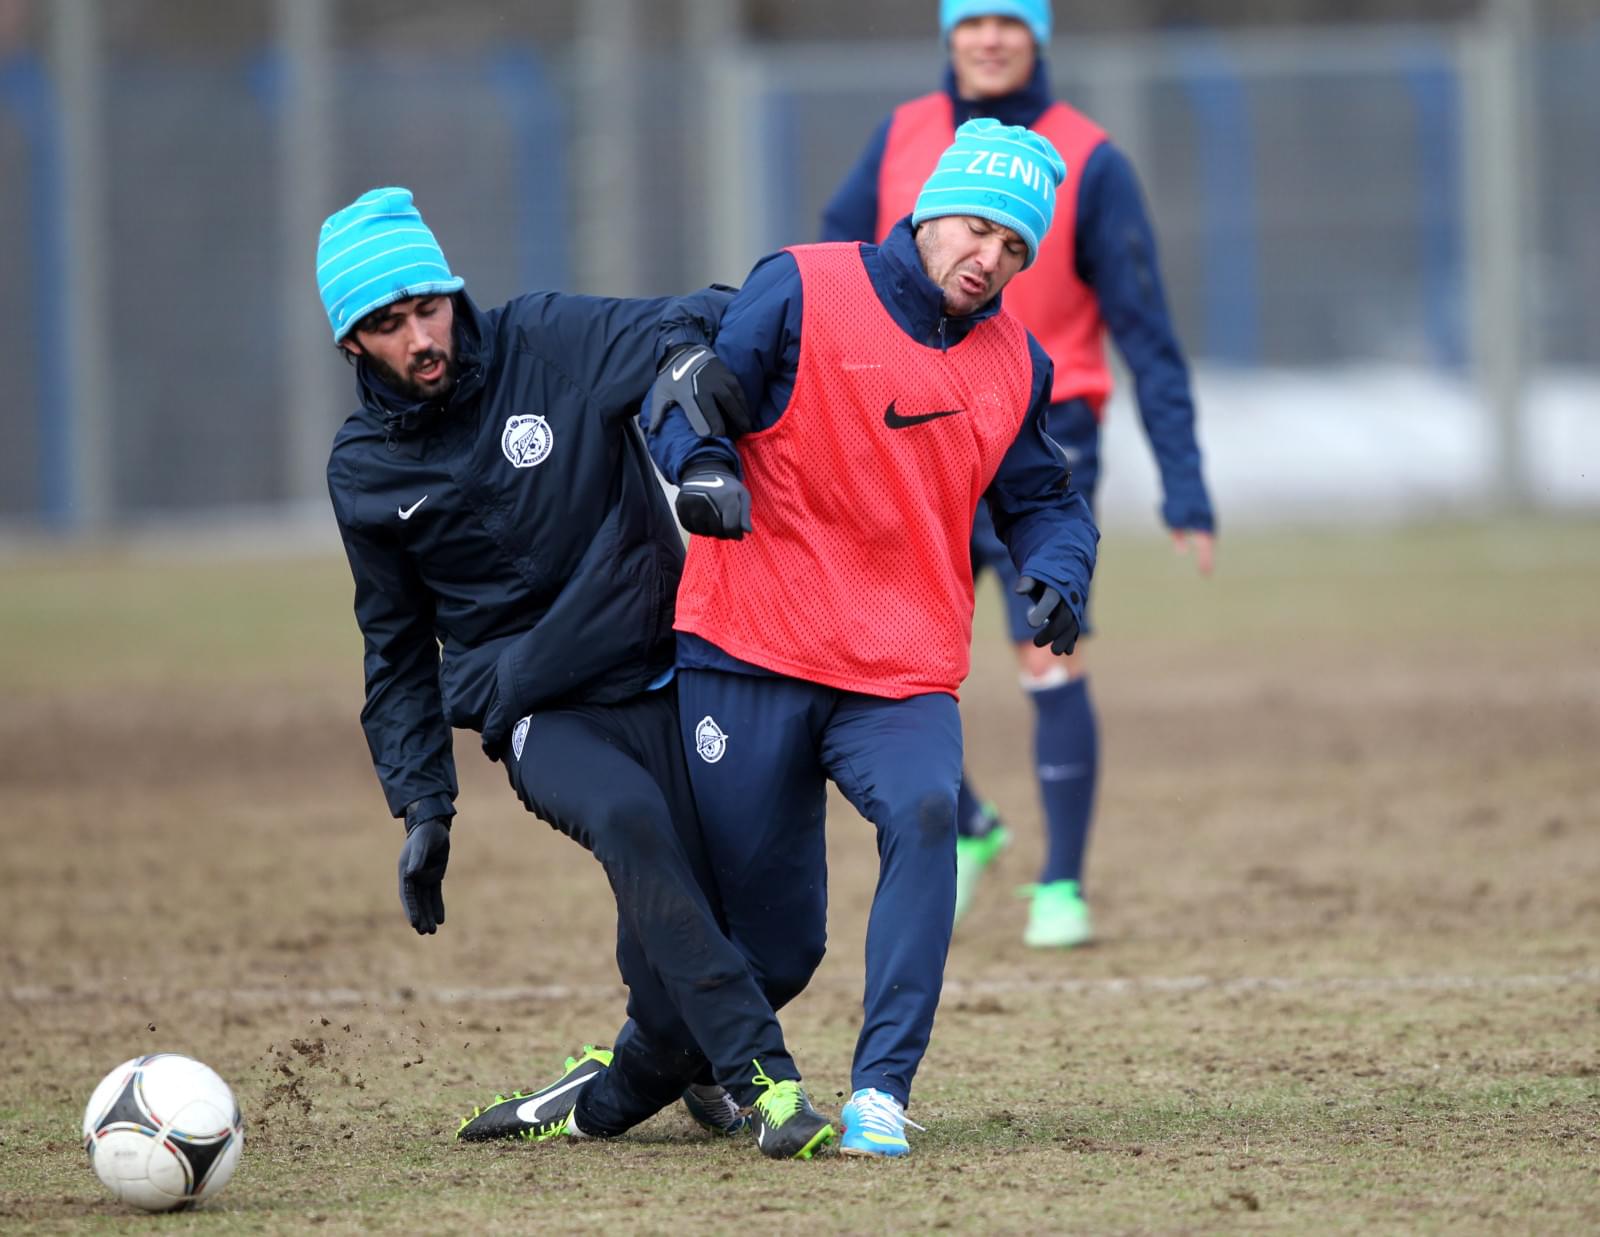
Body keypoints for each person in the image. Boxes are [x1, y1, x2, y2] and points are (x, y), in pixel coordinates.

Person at [320, 186, 834, 1160]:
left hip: (670, 669)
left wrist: (762, 333)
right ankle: (765, 1082)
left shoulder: (546, 341)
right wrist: (425, 805)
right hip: (539, 708)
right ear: (353, 345)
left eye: (426, 306)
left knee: (778, 946)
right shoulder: (363, 476)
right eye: (387, 325)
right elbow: (393, 648)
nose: (419, 337)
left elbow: (700, 319)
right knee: (631, 822)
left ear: (451, 291)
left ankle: (615, 1088)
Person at [644, 119, 1099, 1158]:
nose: (990, 260)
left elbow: (1047, 500)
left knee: (930, 809)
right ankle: (674, 1060)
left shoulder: (1013, 363)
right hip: (749, 646)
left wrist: (1060, 573)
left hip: (897, 667)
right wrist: (700, 467)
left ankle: (881, 1088)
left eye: (1015, 248)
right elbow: (690, 391)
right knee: (778, 939)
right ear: (931, 211)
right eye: (979, 230)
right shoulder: (803, 285)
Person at [820, 0, 1216, 948]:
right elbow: (830, 269)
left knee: (1048, 647)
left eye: (1011, 21)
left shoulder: (1092, 157)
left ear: (1039, 37)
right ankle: (971, 828)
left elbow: (1147, 332)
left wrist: (1184, 483)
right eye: (972, 21)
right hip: (914, 426)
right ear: (949, 35)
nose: (990, 38)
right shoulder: (902, 138)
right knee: (871, 654)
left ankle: (1060, 885)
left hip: (1048, 430)